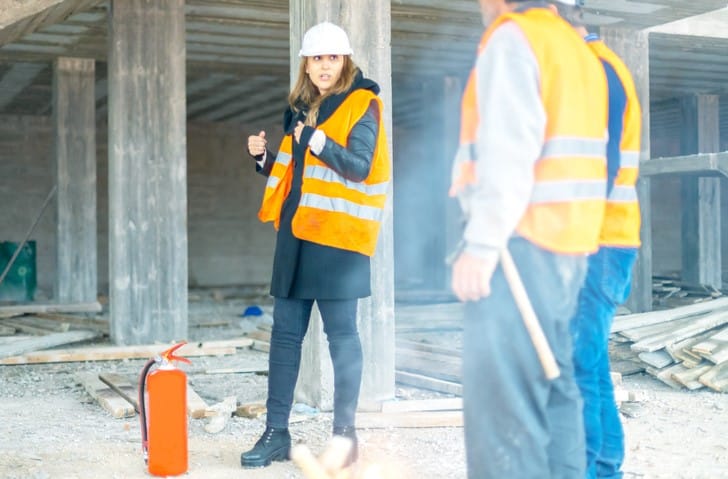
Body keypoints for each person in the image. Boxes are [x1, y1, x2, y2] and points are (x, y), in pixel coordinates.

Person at [449, 0, 609, 477]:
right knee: (555, 391)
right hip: (569, 247)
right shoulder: (577, 49)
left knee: (505, 414)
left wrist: (479, 245)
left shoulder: (512, 38)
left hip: (519, 246)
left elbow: (508, 150)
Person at [240, 21, 390, 469]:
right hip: (296, 237)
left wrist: (318, 140)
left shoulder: (364, 103)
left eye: (332, 57)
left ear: (344, 61)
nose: (324, 65)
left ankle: (345, 437)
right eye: (316, 58)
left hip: (338, 241)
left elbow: (359, 167)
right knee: (285, 337)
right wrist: (264, 160)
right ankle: (276, 433)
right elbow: (298, 177)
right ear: (306, 63)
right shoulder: (299, 109)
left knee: (342, 336)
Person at [556, 3, 643, 478]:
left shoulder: (596, 72)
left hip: (597, 241)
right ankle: (607, 464)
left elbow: (599, 168)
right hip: (604, 238)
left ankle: (590, 470)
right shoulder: (598, 66)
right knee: (589, 360)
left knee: (579, 360)